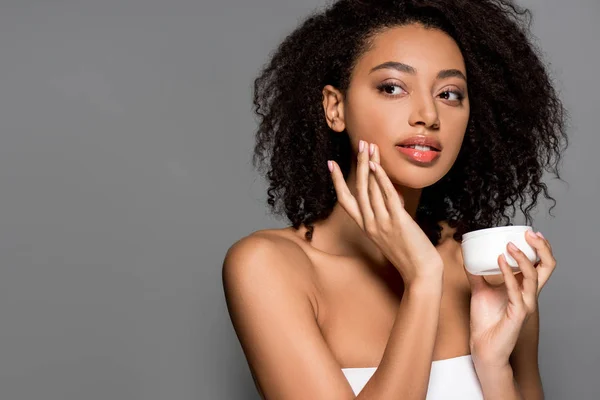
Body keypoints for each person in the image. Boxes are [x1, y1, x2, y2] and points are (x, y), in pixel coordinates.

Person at [222, 0, 568, 398]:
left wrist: (493, 367)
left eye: (450, 94)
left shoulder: (485, 268)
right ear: (335, 108)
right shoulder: (269, 267)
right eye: (392, 87)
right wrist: (423, 281)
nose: (428, 114)